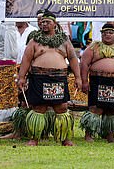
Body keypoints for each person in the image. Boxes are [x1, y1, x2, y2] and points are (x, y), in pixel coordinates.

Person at [18, 10, 82, 146]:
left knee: (62, 107)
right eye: (42, 22)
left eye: (48, 22)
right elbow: (26, 59)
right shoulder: (35, 40)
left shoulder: (64, 40)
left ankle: (65, 138)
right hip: (39, 77)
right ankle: (34, 138)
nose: (44, 24)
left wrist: (78, 78)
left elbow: (72, 58)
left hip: (58, 79)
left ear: (55, 24)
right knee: (38, 108)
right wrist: (21, 77)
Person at [80, 23, 114, 143]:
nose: (107, 35)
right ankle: (89, 134)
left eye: (110, 32)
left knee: (113, 110)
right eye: (105, 33)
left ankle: (110, 136)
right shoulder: (94, 47)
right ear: (101, 35)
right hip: (98, 80)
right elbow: (84, 63)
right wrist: (84, 81)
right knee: (96, 109)